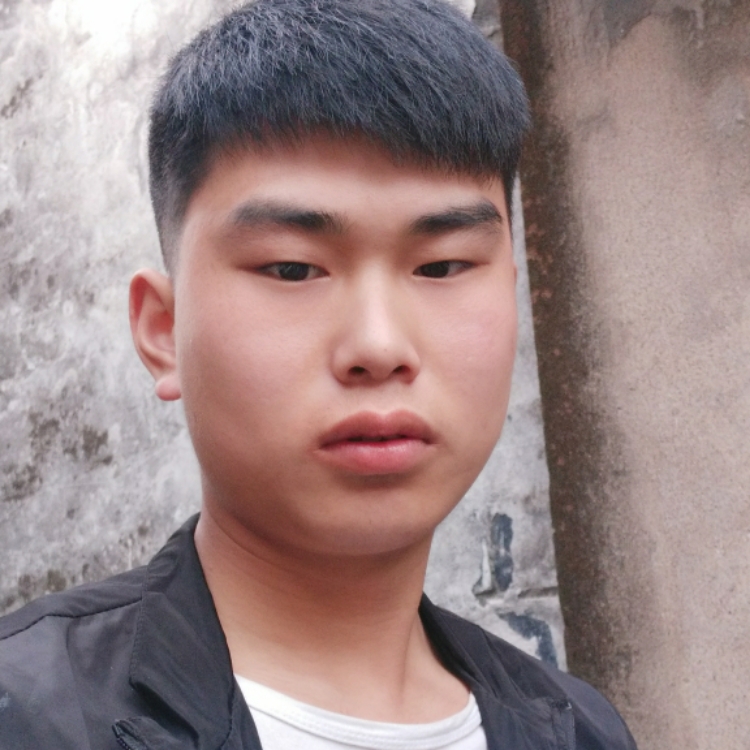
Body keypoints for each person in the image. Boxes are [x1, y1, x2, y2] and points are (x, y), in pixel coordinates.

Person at [0, 1, 638, 748]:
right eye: (293, 269)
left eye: (441, 267)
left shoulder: (580, 730)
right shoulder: (30, 713)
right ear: (163, 331)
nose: (379, 345)